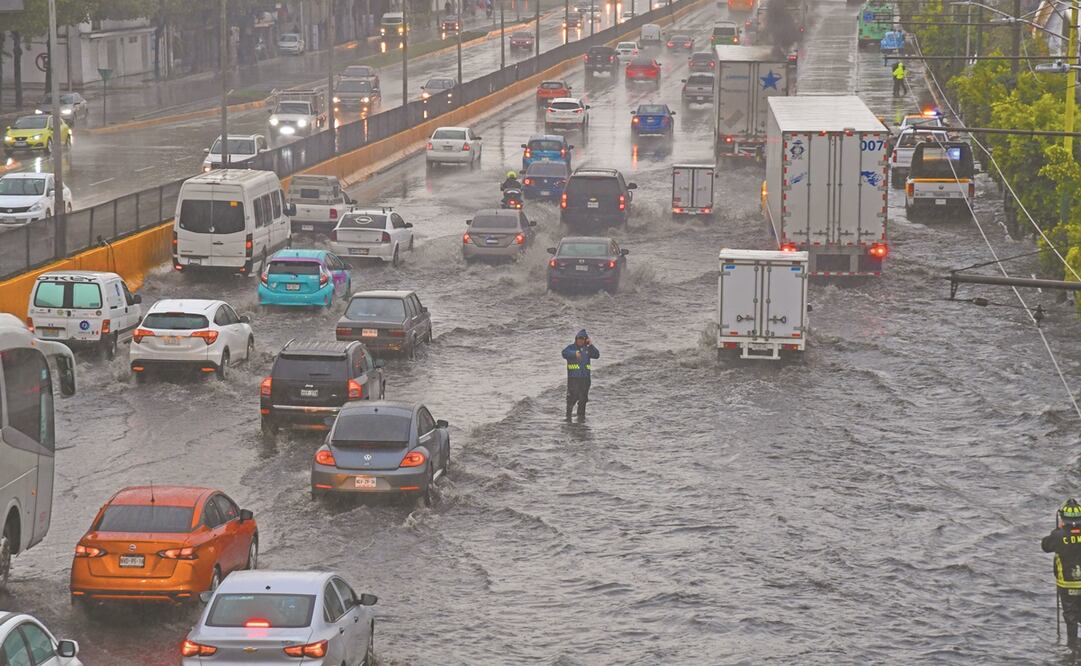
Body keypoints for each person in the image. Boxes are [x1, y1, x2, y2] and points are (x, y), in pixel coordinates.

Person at [1042, 499, 1081, 646]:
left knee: (1070, 614)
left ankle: (1072, 645)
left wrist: (1058, 530)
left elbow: (1045, 545)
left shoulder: (1059, 536)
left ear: (1063, 518)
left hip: (1067, 583)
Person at [562, 330, 599, 421]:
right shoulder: (571, 348)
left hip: (585, 379)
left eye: (583, 339)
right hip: (573, 379)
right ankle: (568, 418)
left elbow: (597, 355)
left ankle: (581, 419)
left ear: (586, 340)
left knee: (583, 400)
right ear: (576, 339)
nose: (581, 340)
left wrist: (590, 345)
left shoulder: (588, 349)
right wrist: (574, 354)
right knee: (571, 399)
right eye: (579, 338)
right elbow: (564, 353)